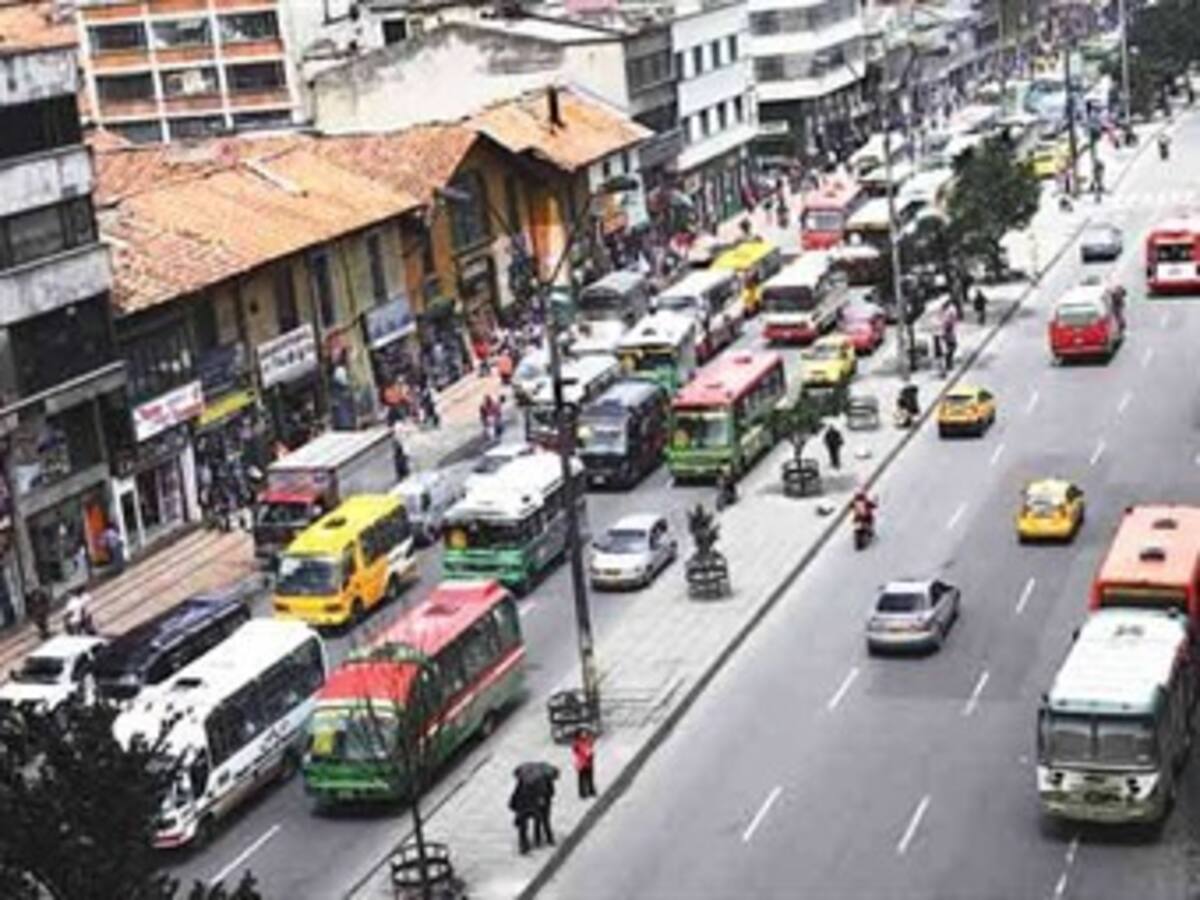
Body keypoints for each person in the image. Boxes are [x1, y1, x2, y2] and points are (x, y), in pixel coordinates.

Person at [508, 778, 539, 855]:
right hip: (528, 808)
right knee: (525, 827)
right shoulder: (534, 787)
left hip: (522, 809)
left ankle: (523, 845)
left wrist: (513, 806)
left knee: (523, 829)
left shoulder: (520, 787)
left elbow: (514, 797)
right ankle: (527, 844)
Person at [572, 728, 597, 799]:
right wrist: (588, 754)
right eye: (583, 734)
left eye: (585, 734)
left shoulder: (587, 741)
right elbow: (581, 752)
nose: (584, 735)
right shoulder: (577, 744)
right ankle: (582, 793)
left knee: (590, 777)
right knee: (582, 779)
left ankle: (591, 790)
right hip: (582, 764)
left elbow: (591, 744)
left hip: (588, 763)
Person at [533, 773, 555, 847]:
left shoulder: (533, 780)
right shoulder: (548, 779)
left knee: (537, 822)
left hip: (536, 804)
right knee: (546, 822)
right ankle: (549, 839)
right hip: (546, 803)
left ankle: (537, 840)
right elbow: (552, 792)